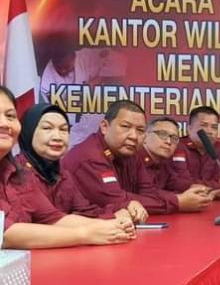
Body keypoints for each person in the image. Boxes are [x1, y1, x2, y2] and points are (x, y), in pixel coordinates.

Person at [0, 85, 134, 248]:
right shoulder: (26, 168)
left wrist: (111, 224)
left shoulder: (18, 174)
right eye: (47, 128)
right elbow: (4, 234)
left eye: (10, 116)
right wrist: (87, 234)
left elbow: (52, 218)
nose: (4, 123)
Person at [62, 100, 212, 221]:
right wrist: (178, 202)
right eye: (125, 127)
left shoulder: (130, 152)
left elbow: (149, 191)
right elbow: (116, 200)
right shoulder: (90, 156)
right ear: (105, 127)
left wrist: (184, 198)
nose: (133, 136)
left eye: (140, 130)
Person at [17, 103, 131, 221]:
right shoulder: (17, 173)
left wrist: (120, 211)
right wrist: (109, 218)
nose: (57, 137)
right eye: (47, 128)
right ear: (28, 131)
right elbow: (50, 219)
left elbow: (85, 211)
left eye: (63, 129)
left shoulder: (61, 174)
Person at [141, 117, 220, 201]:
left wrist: (207, 191)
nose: (168, 141)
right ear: (144, 136)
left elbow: (176, 183)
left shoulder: (164, 162)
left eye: (174, 138)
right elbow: (147, 193)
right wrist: (179, 199)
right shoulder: (136, 160)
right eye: (162, 134)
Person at [176, 106, 220, 190]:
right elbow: (181, 183)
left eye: (214, 127)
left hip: (215, 196)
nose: (209, 131)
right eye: (204, 125)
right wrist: (217, 186)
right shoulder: (178, 147)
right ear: (189, 129)